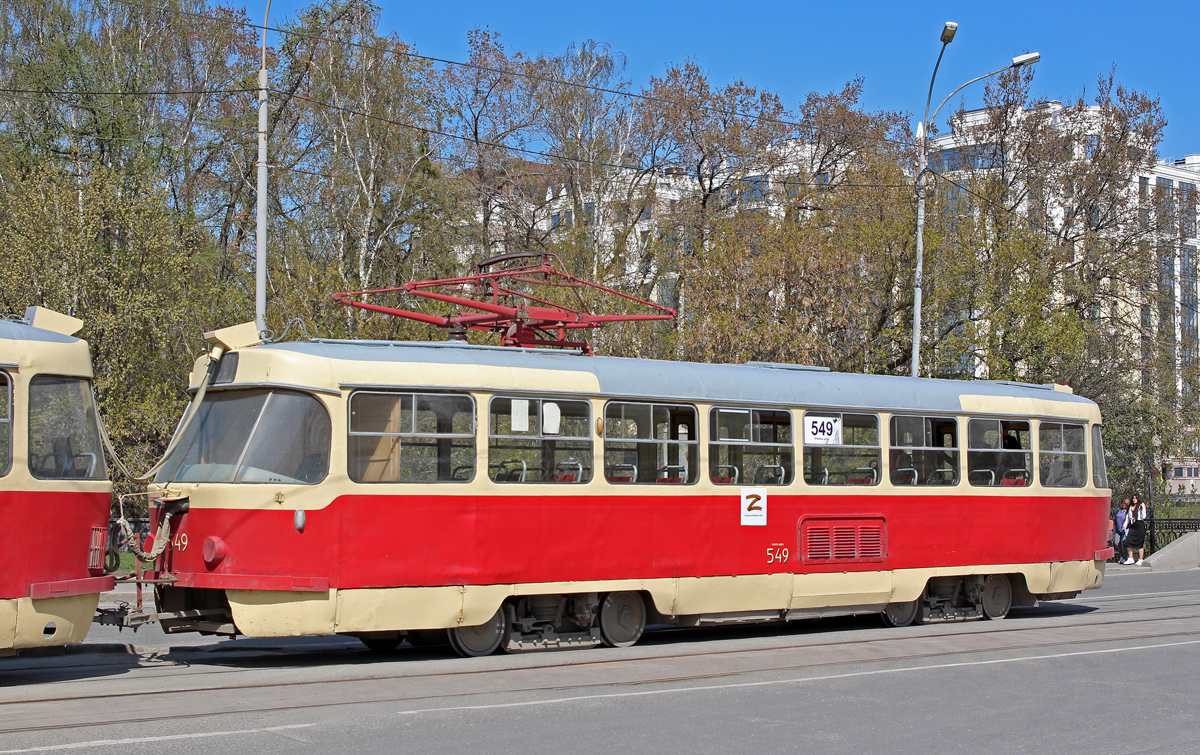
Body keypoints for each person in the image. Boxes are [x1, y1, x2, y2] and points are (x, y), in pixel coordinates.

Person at [1123, 494, 1148, 565]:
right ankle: (1131, 558)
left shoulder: (1140, 506)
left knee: (1140, 544)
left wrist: (1143, 508)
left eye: (1136, 498)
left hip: (1139, 525)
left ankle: (1141, 559)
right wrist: (1125, 525)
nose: (1134, 500)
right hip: (1132, 525)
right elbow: (1128, 517)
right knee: (1128, 542)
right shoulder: (1131, 507)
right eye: (1133, 498)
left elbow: (1144, 516)